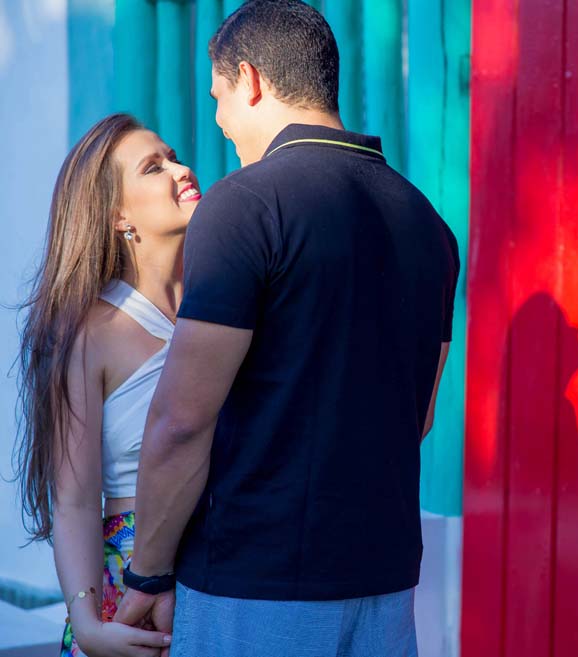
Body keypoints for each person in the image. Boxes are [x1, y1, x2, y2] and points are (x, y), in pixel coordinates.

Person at [112, 2, 459, 656]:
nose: (217, 120)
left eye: (218, 97)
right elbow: (419, 415)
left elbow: (182, 419)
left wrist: (149, 570)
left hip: (258, 584)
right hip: (384, 586)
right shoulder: (429, 226)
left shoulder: (243, 205)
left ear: (249, 80)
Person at [15, 113, 198, 656]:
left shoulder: (225, 302)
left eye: (173, 155)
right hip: (131, 590)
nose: (181, 169)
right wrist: (88, 622)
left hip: (232, 571)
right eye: (153, 166)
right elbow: (72, 501)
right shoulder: (91, 331)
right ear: (118, 214)